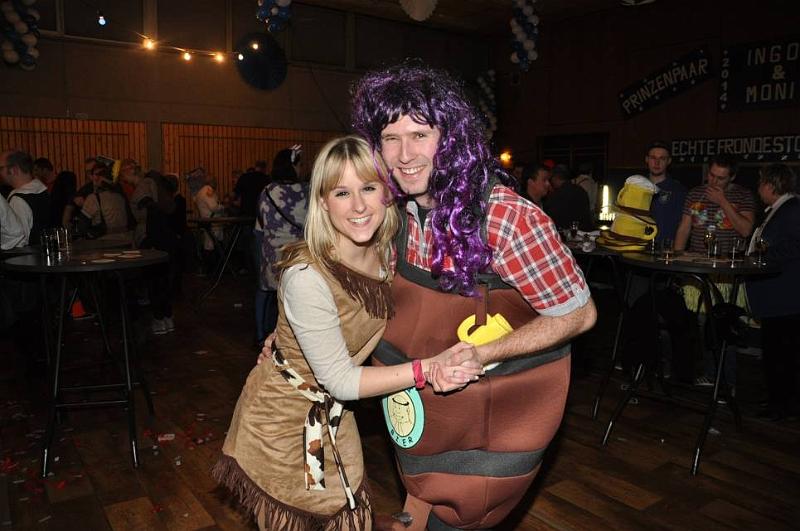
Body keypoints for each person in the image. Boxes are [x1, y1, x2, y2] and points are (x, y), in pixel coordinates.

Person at [351, 63, 596, 530]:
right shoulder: (395, 211)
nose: (404, 154)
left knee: (458, 514)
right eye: (390, 138)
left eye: (420, 135)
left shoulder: (507, 218)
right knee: (422, 497)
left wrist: (483, 354)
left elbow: (579, 314)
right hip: (424, 416)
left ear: (451, 139)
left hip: (487, 421)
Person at [212, 135, 482, 531]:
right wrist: (427, 368)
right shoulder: (308, 275)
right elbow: (339, 379)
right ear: (323, 202)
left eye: (368, 188)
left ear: (386, 194)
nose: (358, 206)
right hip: (280, 424)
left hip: (334, 416)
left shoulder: (388, 252)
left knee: (348, 514)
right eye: (342, 192)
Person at [745, 164, 800, 421]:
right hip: (778, 298)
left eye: (760, 184)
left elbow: (794, 247)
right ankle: (778, 399)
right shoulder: (779, 209)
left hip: (785, 298)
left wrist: (761, 256)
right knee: (776, 352)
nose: (758, 189)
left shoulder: (792, 210)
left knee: (782, 354)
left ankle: (783, 406)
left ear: (770, 185)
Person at [254, 145, 307, 346]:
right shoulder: (306, 191)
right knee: (294, 296)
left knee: (264, 292)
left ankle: (261, 334)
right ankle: (290, 338)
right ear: (292, 166)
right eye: (298, 165)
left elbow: (261, 223)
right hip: (297, 253)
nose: (301, 169)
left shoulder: (267, 191)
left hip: (271, 253)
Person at [675, 154, 755, 253]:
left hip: (727, 258)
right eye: (711, 175)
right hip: (697, 257)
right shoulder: (695, 193)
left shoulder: (743, 195)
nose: (714, 181)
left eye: (721, 178)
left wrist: (723, 201)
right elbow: (684, 229)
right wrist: (677, 255)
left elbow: (746, 231)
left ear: (732, 177)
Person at [0, 150, 50, 247]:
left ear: (14, 170)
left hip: (30, 256)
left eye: (1, 168)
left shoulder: (18, 200)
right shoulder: (41, 189)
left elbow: (18, 242)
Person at [646, 141, 687, 244]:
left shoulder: (678, 191)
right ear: (647, 159)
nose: (657, 163)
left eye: (662, 158)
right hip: (637, 247)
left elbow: (684, 226)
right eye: (653, 158)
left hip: (665, 249)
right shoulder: (636, 186)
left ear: (669, 161)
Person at [544, 163, 594, 231]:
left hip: (566, 234)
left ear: (555, 177)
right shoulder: (581, 190)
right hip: (584, 232)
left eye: (550, 179)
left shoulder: (555, 195)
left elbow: (551, 220)